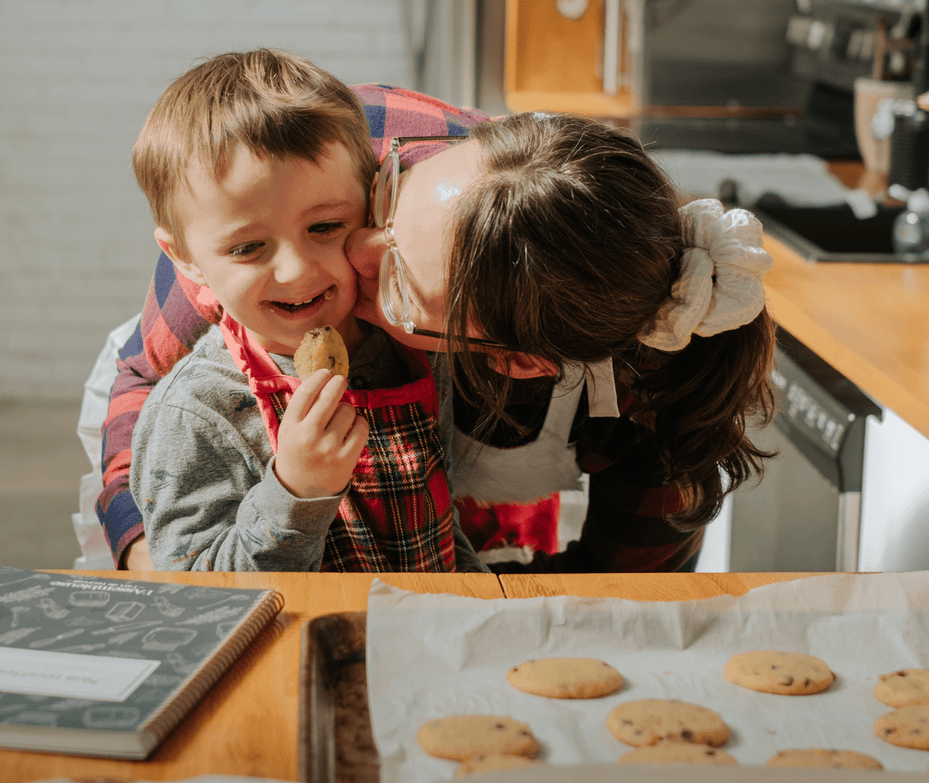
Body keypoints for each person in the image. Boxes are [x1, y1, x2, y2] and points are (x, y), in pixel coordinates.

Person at [100, 58, 776, 573]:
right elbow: (138, 383)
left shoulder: (653, 374)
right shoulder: (290, 179)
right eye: (385, 204)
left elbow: (621, 585)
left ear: (511, 359)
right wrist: (150, 555)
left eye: (394, 279)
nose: (342, 255)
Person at [122, 49, 485, 572]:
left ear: (372, 205)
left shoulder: (413, 348)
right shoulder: (195, 414)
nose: (296, 271)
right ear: (185, 258)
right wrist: (296, 491)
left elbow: (438, 524)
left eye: (325, 228)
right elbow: (197, 591)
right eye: (247, 248)